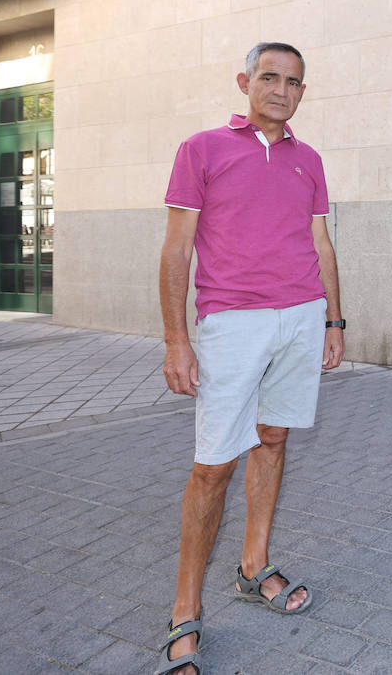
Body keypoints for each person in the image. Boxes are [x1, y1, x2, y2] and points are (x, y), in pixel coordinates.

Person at [155, 41, 344, 675]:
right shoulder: (202, 149)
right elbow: (177, 250)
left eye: (293, 81)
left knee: (273, 438)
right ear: (245, 82)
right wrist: (176, 340)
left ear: (301, 92)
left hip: (300, 316)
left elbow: (321, 242)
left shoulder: (309, 159)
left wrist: (334, 320)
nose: (280, 89)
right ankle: (185, 610)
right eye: (269, 76)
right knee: (213, 464)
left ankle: (253, 566)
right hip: (231, 322)